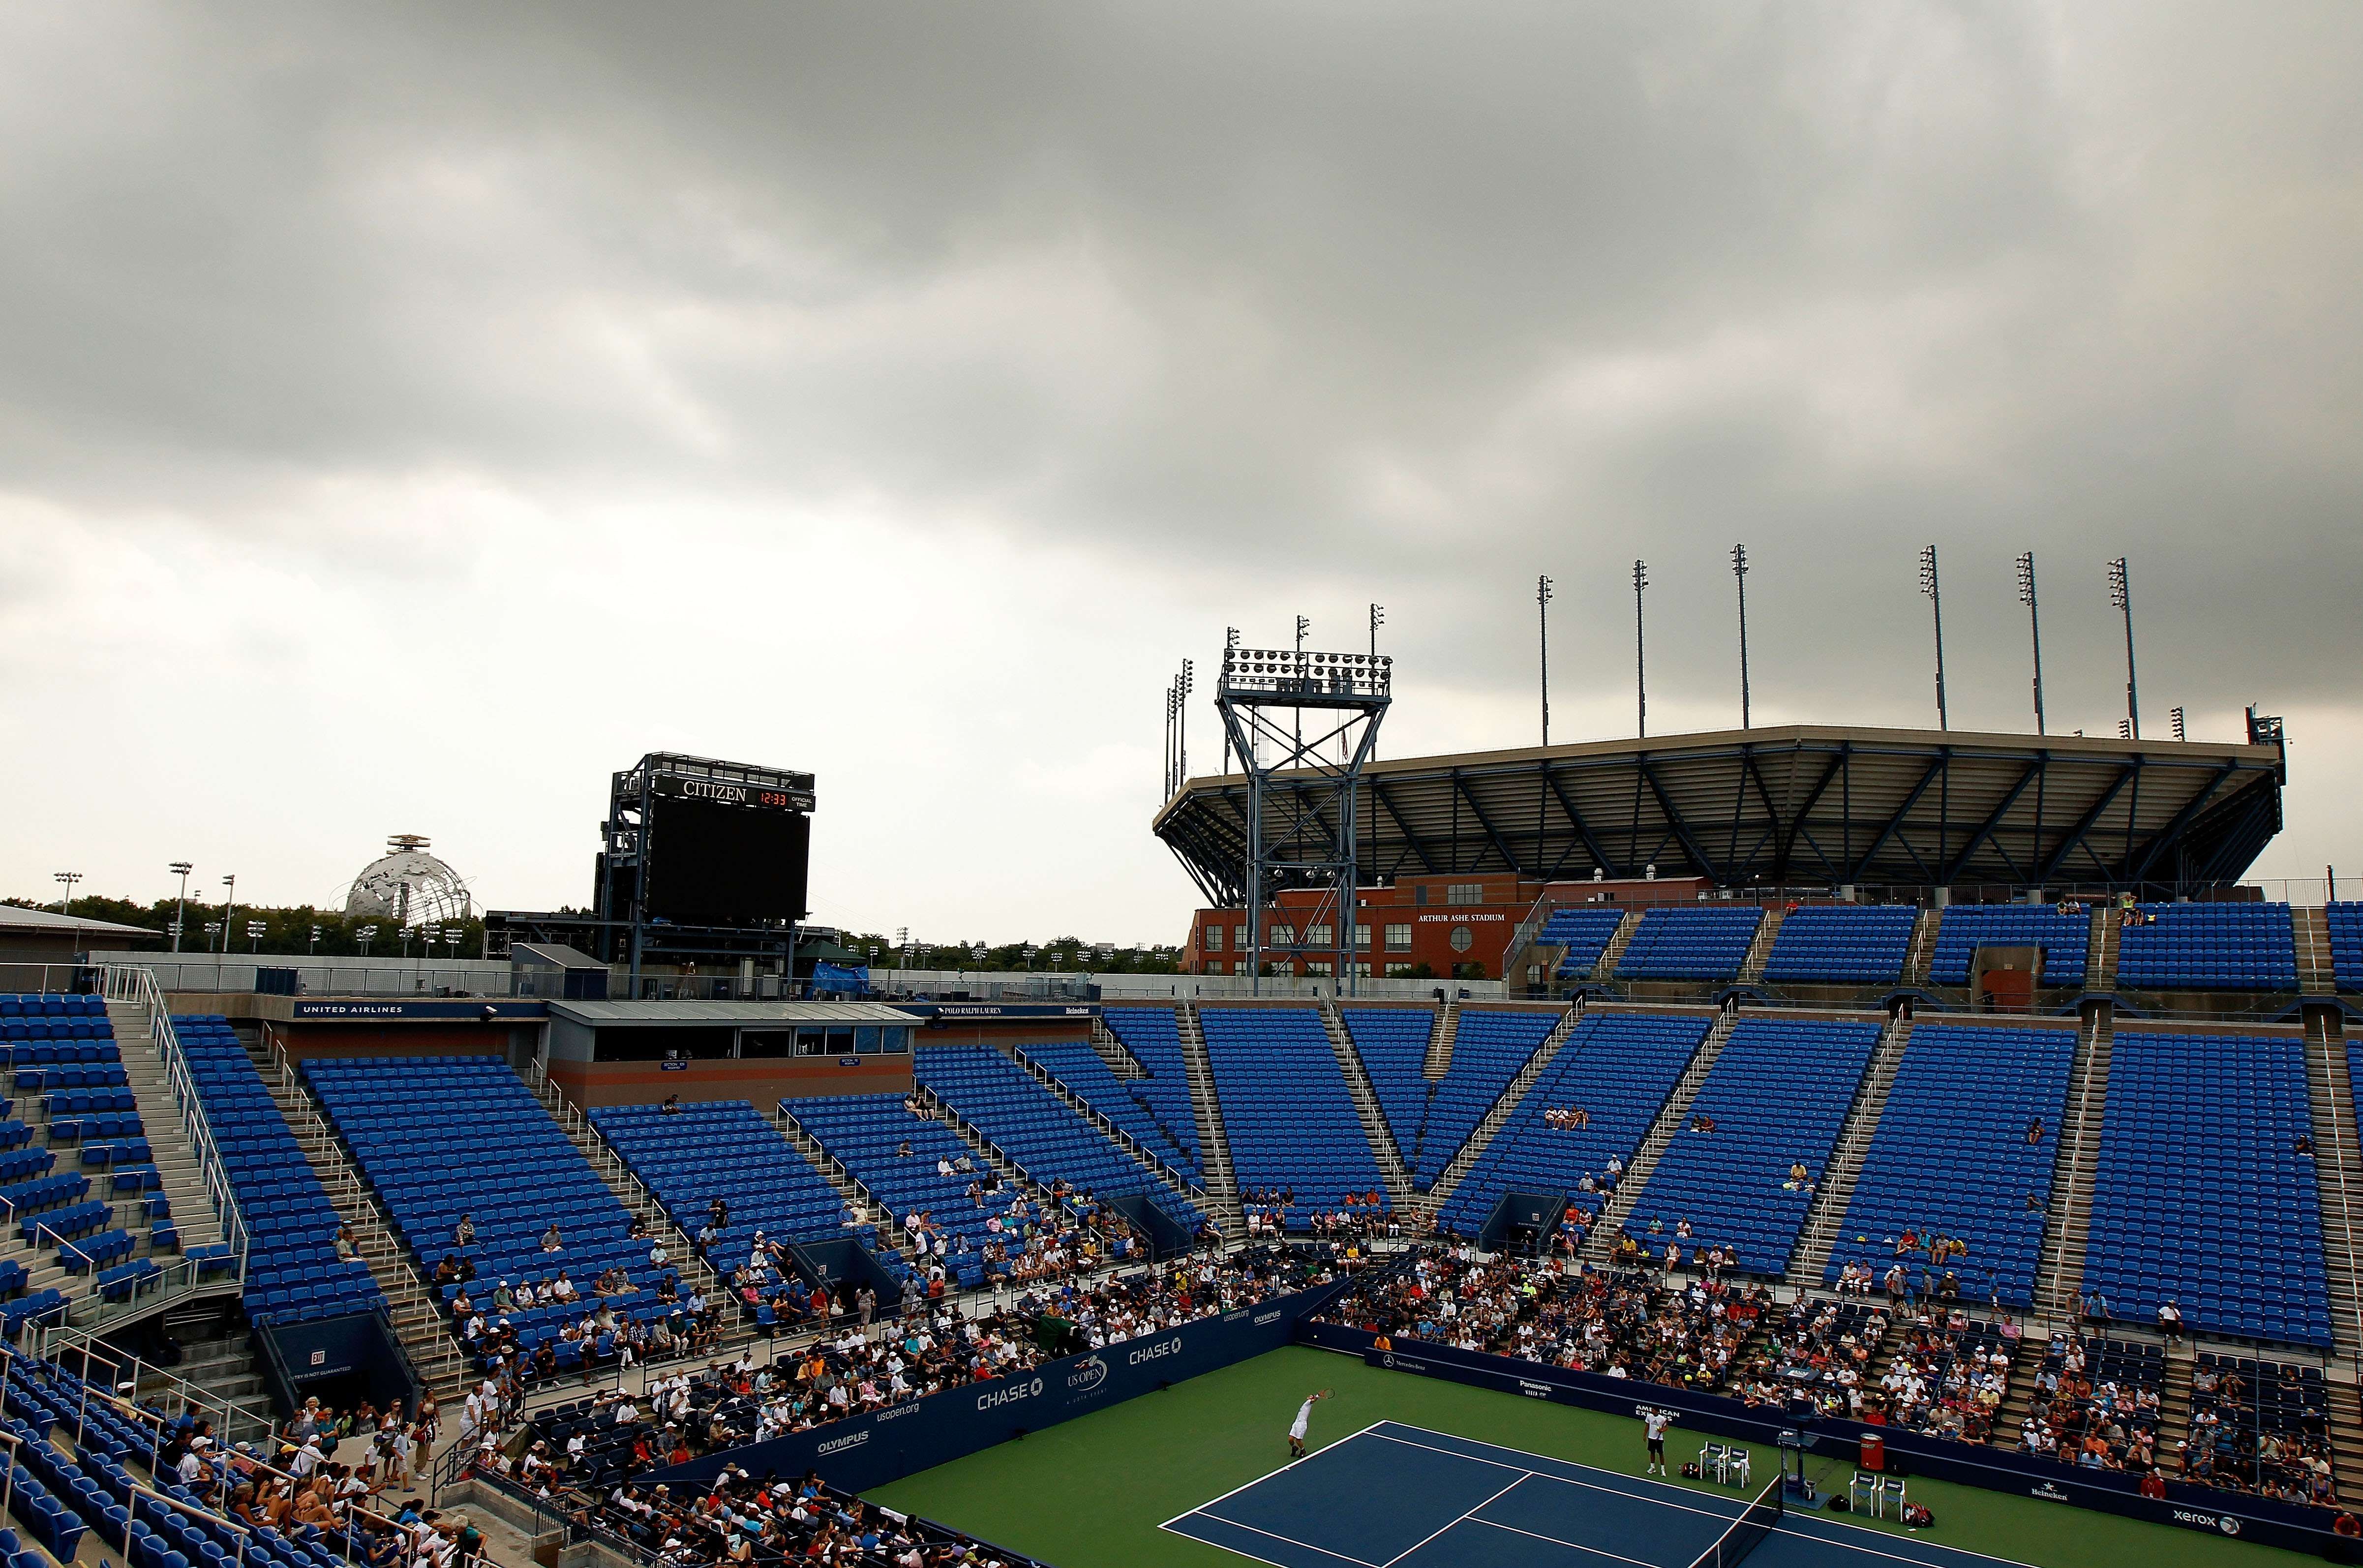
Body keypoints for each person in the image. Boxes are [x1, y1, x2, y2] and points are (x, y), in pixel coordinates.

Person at [1287, 1389, 1332, 1459]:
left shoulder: (1309, 1403)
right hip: (1296, 1423)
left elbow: (1313, 1401)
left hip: (1302, 1424)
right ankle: (1294, 1448)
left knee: (1298, 1440)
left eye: (1311, 1396)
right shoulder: (1305, 1403)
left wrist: (1317, 1396)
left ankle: (1303, 1450)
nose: (1309, 1396)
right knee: (1290, 1439)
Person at [1643, 1407, 1672, 1476]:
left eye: (1653, 1410)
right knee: (1652, 1453)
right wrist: (1645, 1435)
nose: (1651, 1411)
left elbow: (1666, 1427)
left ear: (1657, 1411)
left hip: (1659, 1439)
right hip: (1651, 1438)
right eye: (1652, 1410)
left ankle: (1663, 1470)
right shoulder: (1649, 1417)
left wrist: (1662, 1431)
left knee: (1661, 1454)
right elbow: (1647, 1426)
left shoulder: (1662, 1419)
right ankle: (1652, 1468)